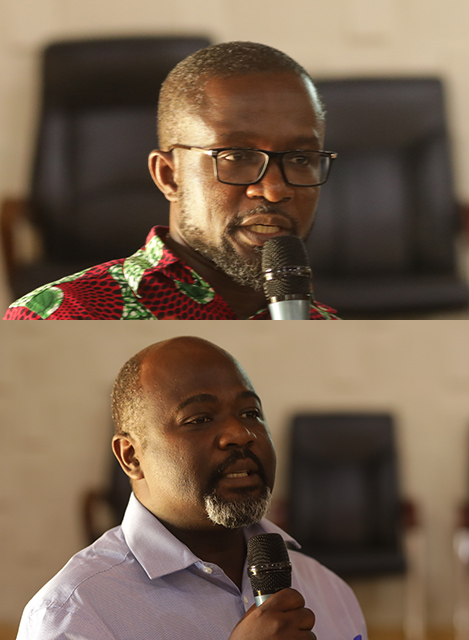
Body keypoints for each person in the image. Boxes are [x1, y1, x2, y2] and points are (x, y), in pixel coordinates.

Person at [17, 336, 366, 640]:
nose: (241, 434)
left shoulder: (329, 590)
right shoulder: (74, 614)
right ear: (131, 457)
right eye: (199, 419)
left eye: (250, 413)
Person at [5, 42, 337, 320]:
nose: (274, 189)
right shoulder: (64, 316)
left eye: (299, 159)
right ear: (169, 176)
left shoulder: (324, 326)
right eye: (237, 156)